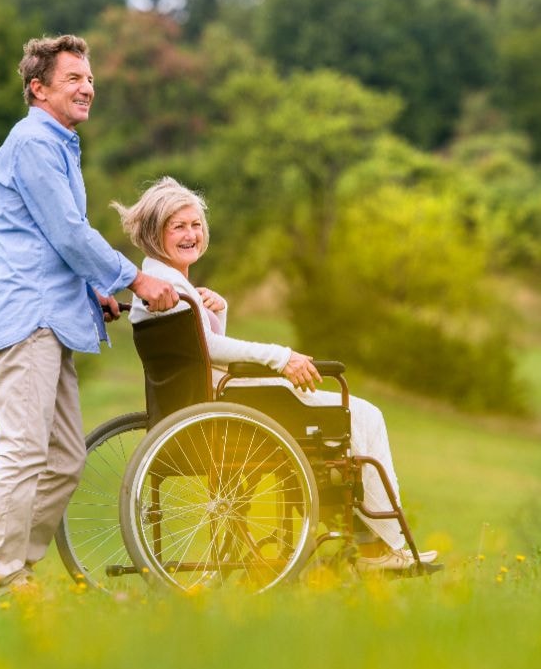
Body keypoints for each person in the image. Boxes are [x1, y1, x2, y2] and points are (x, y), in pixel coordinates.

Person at [113, 177, 437, 570]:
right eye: (178, 226)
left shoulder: (166, 284)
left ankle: (373, 542)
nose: (191, 234)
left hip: (210, 399)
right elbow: (211, 352)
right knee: (364, 415)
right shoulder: (170, 289)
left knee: (350, 420)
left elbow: (201, 350)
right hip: (224, 405)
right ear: (153, 234)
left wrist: (217, 310)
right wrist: (280, 357)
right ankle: (382, 546)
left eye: (196, 225)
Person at [0, 35, 178, 593]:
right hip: (31, 319)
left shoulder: (58, 143)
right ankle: (0, 577)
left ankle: (18, 570)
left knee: (64, 458)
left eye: (90, 79)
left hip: (56, 315)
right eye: (74, 79)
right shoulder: (34, 143)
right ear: (38, 89)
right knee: (22, 450)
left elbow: (49, 239)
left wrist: (94, 289)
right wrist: (134, 277)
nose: (87, 88)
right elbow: (68, 232)